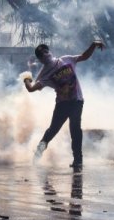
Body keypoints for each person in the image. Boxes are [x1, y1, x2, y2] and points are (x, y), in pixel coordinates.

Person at [23, 41, 104, 170]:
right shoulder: (44, 74)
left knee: (75, 129)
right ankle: (38, 153)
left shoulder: (66, 59)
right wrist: (26, 79)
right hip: (62, 104)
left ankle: (78, 160)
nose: (45, 54)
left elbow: (84, 56)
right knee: (52, 131)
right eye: (41, 54)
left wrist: (93, 45)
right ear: (40, 60)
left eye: (45, 51)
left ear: (49, 52)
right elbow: (32, 88)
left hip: (77, 101)